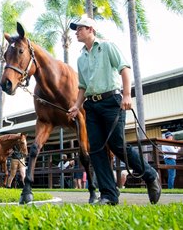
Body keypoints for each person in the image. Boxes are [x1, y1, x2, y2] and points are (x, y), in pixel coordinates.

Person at [68, 15, 161, 205]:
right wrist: (77, 106)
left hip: (112, 101)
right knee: (96, 150)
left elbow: (124, 69)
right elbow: (82, 87)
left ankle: (150, 175)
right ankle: (109, 194)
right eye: (76, 29)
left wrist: (127, 95)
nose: (76, 32)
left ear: (91, 29)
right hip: (91, 107)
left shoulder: (107, 47)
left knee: (117, 145)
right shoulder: (80, 58)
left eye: (80, 28)